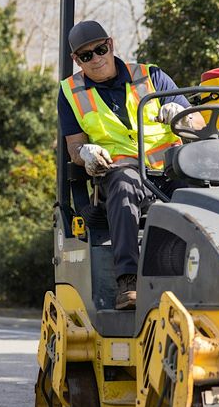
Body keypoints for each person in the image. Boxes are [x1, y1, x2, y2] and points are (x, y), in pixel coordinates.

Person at [58, 20, 203, 310]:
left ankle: (201, 275)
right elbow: (73, 146)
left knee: (203, 193)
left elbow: (198, 123)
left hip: (168, 171)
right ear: (76, 60)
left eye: (100, 50)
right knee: (125, 186)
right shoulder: (70, 92)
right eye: (86, 56)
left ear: (110, 44)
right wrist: (85, 152)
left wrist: (182, 116)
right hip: (117, 175)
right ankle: (128, 282)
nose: (96, 59)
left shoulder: (152, 76)